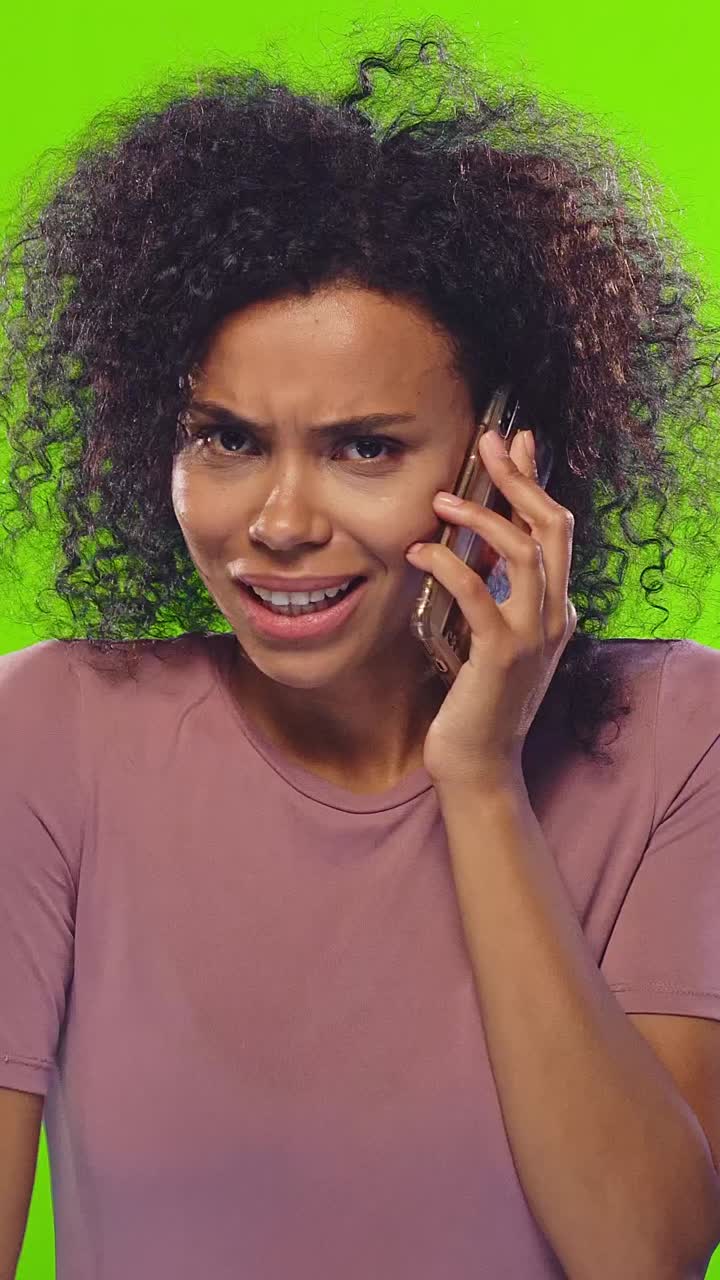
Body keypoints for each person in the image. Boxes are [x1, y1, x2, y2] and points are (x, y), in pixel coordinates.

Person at [1, 24, 720, 1280]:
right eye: (225, 438)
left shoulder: (672, 734)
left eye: (365, 447)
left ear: (507, 452)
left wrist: (483, 775)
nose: (279, 523)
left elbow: (643, 1253)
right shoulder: (54, 731)